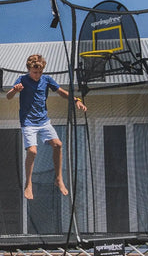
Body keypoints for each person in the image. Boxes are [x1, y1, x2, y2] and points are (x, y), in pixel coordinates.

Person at [6, 54, 87, 200]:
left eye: (40, 72)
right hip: (28, 122)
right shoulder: (22, 80)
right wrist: (15, 90)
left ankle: (58, 178)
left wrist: (76, 100)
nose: (37, 75)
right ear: (29, 69)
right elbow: (8, 96)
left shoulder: (46, 80)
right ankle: (28, 183)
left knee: (58, 144)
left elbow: (61, 92)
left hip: (43, 121)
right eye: (34, 72)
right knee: (32, 151)